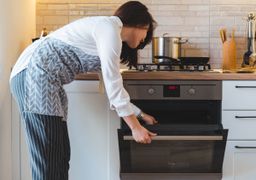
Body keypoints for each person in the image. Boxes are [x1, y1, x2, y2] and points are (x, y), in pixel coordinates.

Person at [9, 1, 157, 180]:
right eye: (147, 32)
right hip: (34, 76)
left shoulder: (109, 34)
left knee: (60, 157)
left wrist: (139, 114)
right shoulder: (109, 29)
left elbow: (111, 88)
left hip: (46, 81)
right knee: (49, 161)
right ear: (140, 24)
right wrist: (135, 127)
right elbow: (113, 85)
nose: (145, 38)